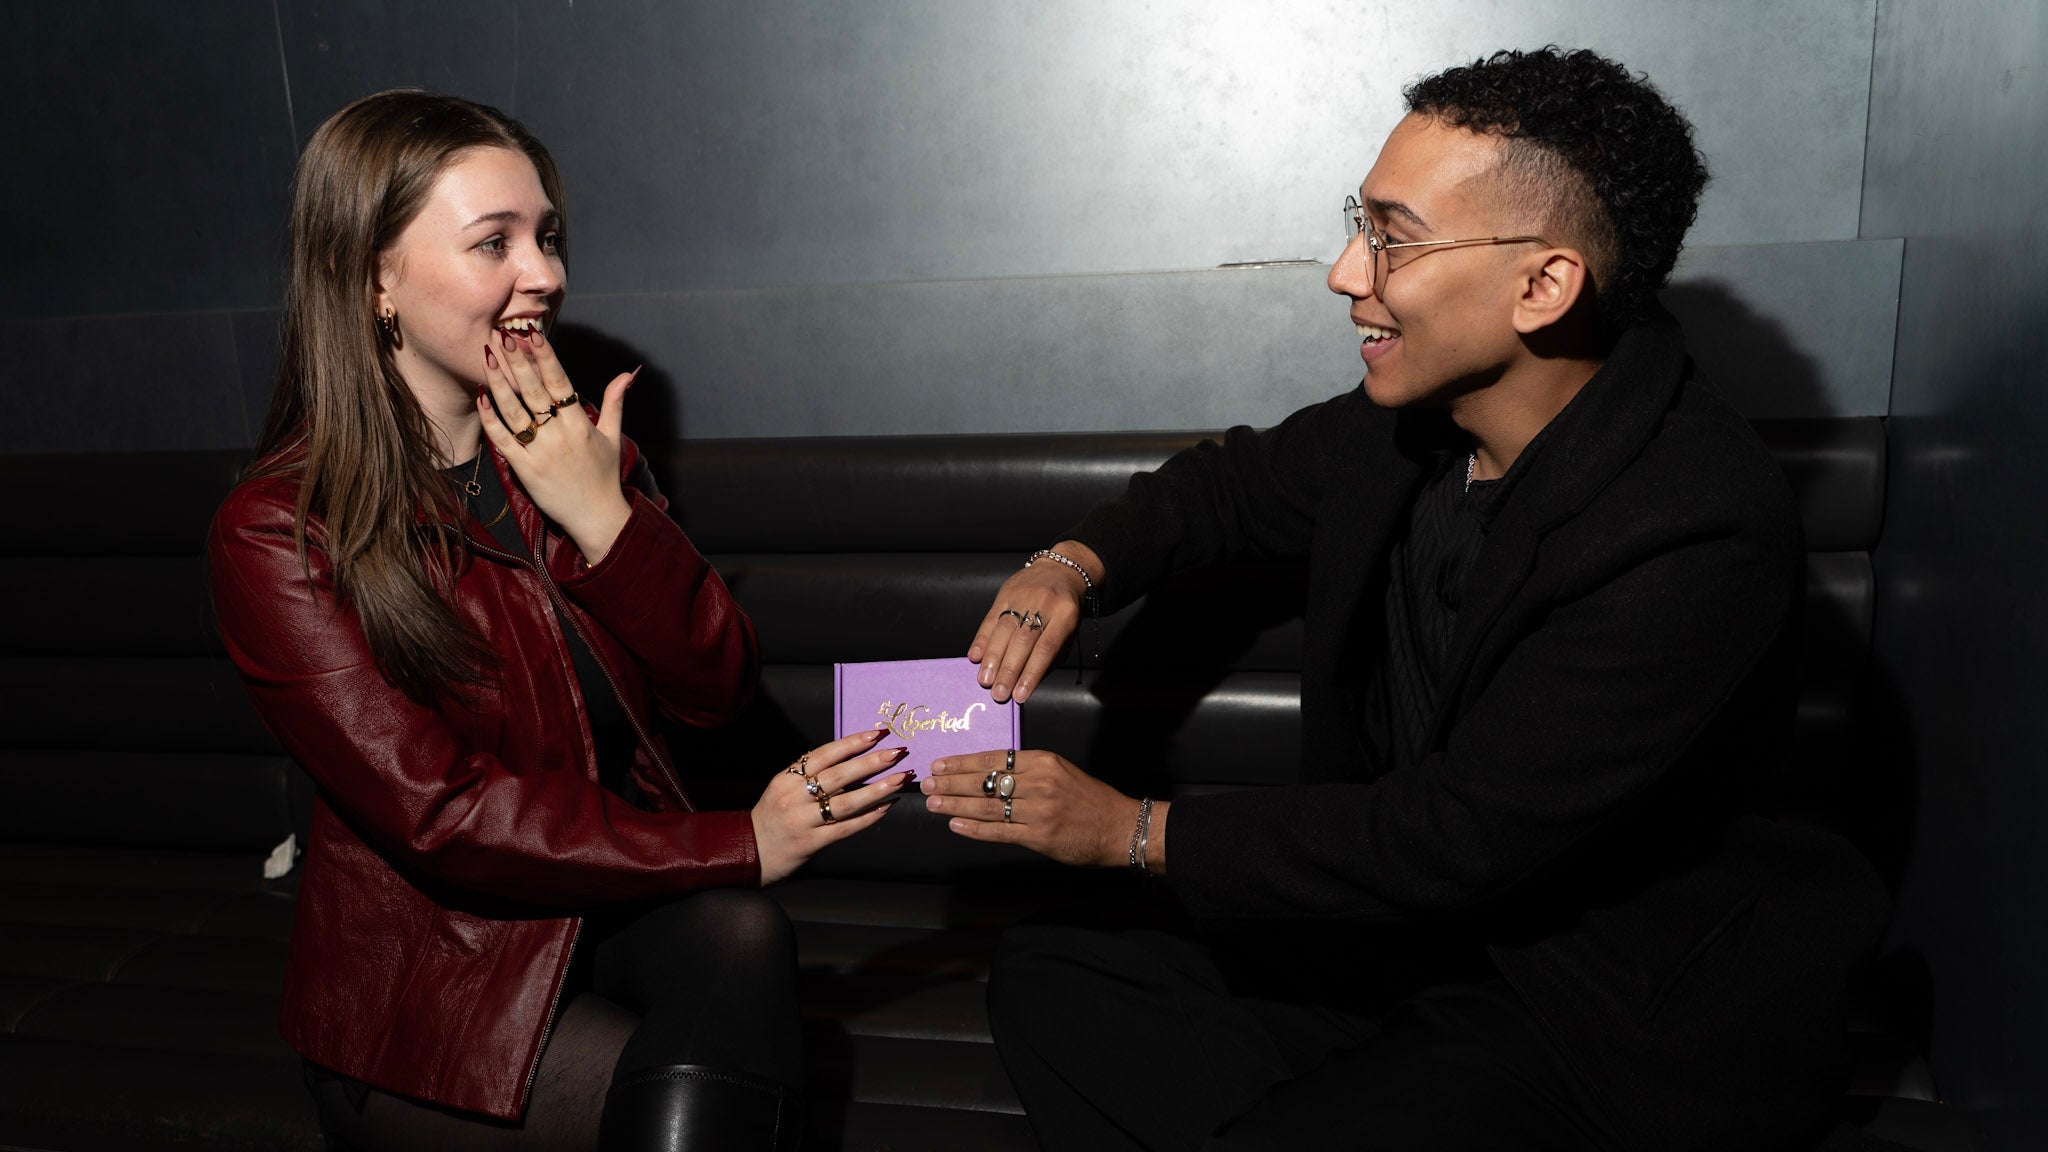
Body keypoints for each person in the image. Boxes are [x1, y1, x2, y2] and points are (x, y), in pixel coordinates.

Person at [927, 48, 1891, 1150]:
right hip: (1406, 948)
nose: (1346, 272)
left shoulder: (1691, 524)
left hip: (1597, 1002)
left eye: (1393, 236)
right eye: (1360, 222)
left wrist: (1130, 831)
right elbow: (1227, 490)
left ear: (1542, 284)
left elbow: (1455, 837)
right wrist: (1067, 569)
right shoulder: (1410, 425)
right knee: (1056, 969)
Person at [208, 90, 910, 1152]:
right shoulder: (277, 530)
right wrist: (740, 841)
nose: (546, 273)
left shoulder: (583, 455)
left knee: (742, 934)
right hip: (438, 971)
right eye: (494, 242)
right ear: (374, 280)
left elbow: (716, 695)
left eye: (545, 236)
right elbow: (440, 815)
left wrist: (602, 518)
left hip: (606, 902)